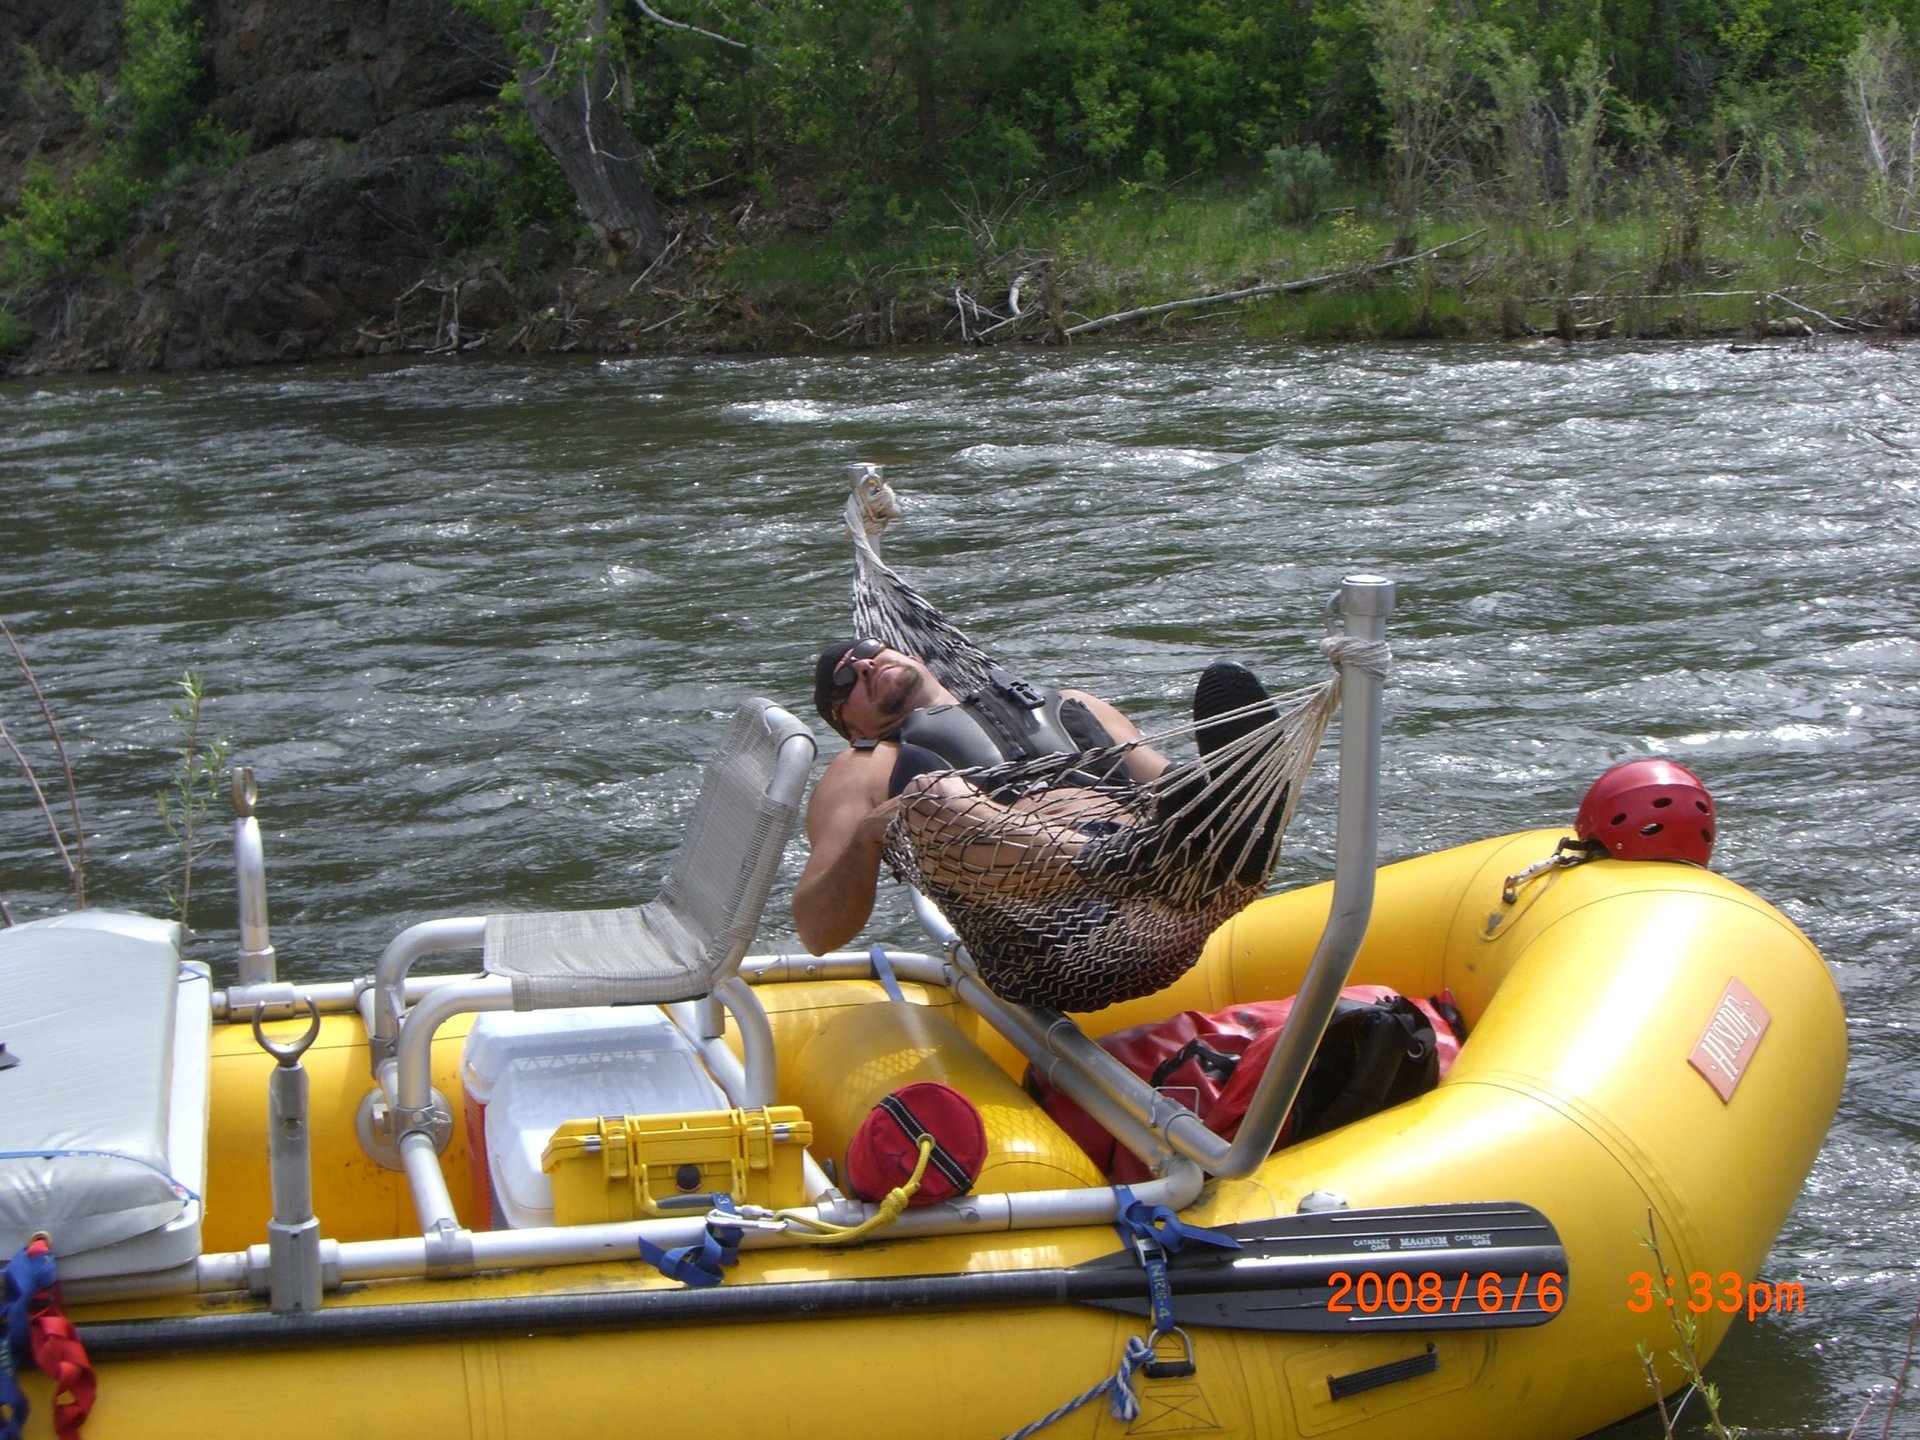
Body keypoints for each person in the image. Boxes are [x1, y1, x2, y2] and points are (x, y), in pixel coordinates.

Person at [790, 638, 1272, 955]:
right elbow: (816, 931)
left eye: (869, 650)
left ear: (914, 656)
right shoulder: (863, 765)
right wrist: (868, 836)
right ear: (848, 727)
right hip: (1049, 927)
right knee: (928, 794)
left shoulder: (1067, 706)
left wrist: (1198, 802)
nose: (866, 664)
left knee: (1189, 789)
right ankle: (1143, 860)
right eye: (844, 680)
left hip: (1164, 881)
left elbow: (1171, 788)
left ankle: (1243, 818)